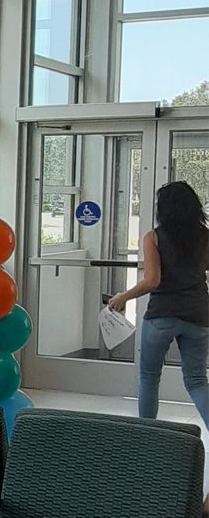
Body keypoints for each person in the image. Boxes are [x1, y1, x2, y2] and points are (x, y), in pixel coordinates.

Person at [108, 180, 209, 428]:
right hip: (199, 313)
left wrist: (123, 297)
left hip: (162, 315)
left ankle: (147, 436)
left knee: (149, 376)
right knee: (197, 380)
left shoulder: (154, 237)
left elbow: (153, 280)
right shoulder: (205, 236)